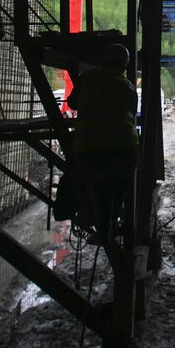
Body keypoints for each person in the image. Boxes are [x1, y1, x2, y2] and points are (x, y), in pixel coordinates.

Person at [63, 43, 140, 240]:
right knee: (119, 190)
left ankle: (103, 228)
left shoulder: (88, 78)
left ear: (104, 59)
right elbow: (132, 113)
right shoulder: (128, 87)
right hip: (125, 146)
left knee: (100, 190)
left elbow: (72, 103)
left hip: (91, 146)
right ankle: (112, 225)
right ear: (125, 66)